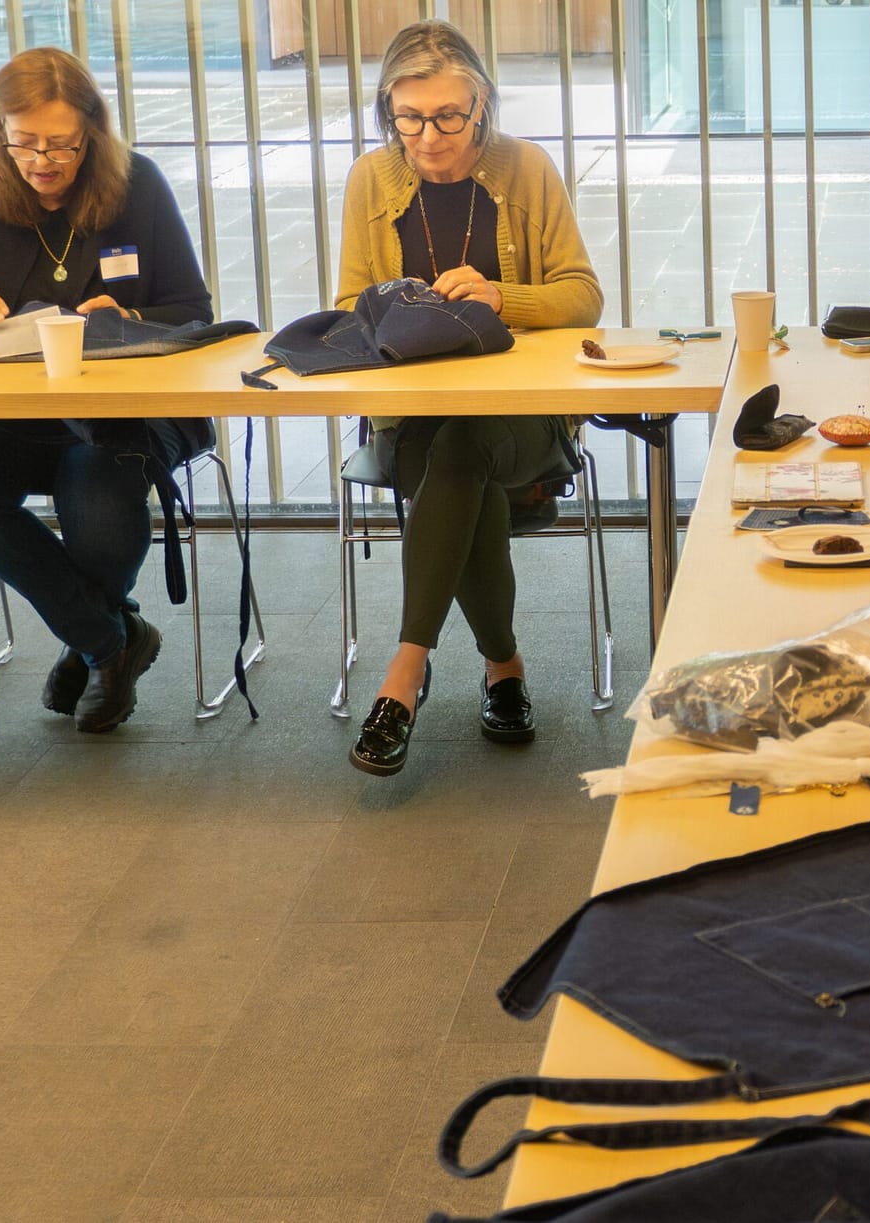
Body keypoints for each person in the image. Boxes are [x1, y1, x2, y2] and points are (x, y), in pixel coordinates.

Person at [0, 46, 213, 733]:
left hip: (118, 415)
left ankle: (91, 639)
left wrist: (129, 317)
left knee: (100, 501)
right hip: (9, 416)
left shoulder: (136, 185)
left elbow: (194, 311)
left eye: (60, 143)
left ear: (92, 130)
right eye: (22, 141)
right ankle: (109, 642)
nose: (41, 160)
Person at [339, 20, 603, 777]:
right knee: (455, 463)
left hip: (523, 418)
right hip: (412, 418)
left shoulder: (526, 168)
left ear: (481, 103)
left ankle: (402, 677)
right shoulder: (370, 179)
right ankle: (504, 668)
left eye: (448, 116)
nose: (428, 137)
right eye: (409, 118)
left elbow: (583, 296)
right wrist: (405, 312)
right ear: (388, 109)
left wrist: (499, 298)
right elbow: (347, 307)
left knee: (461, 452)